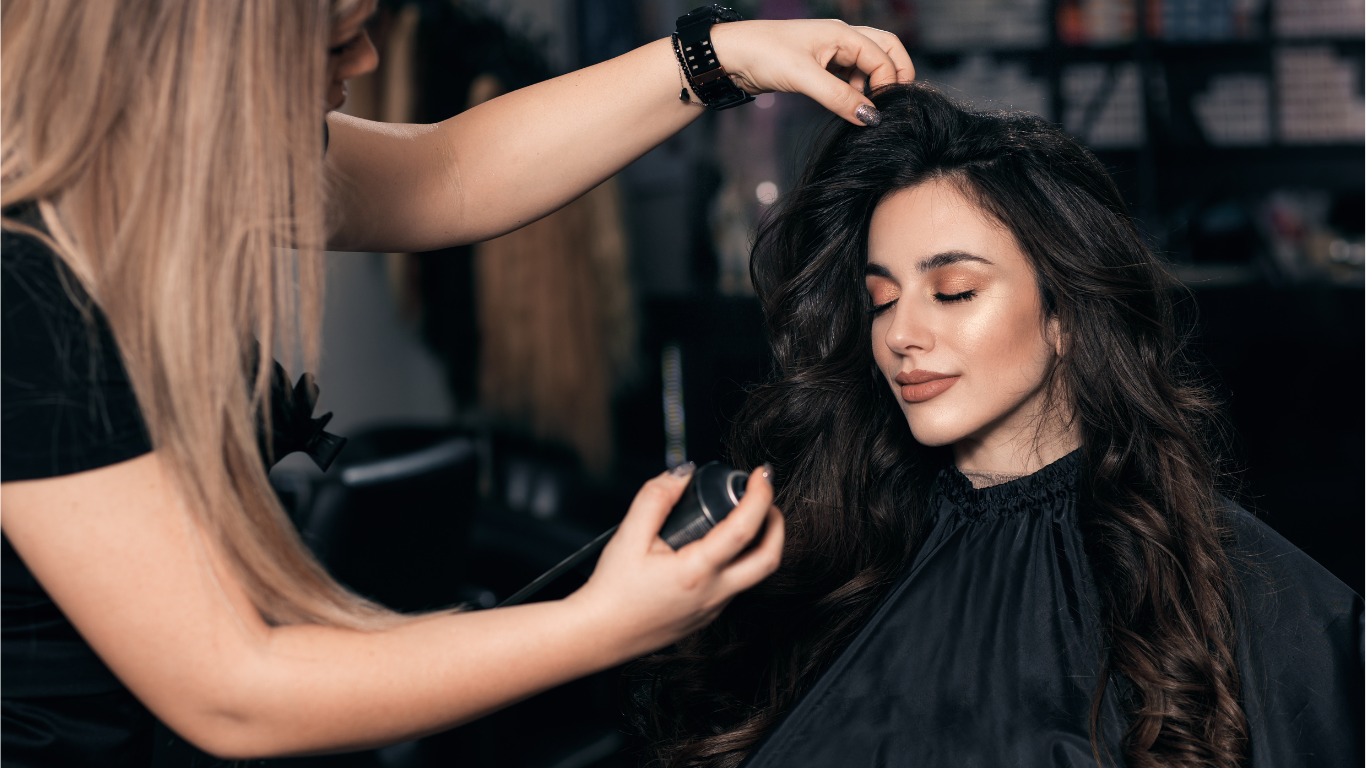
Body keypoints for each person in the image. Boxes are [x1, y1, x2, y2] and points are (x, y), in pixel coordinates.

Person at [0, 1, 918, 764]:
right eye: (333, 39)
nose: (368, 56)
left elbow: (449, 173)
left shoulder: (140, 187)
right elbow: (234, 688)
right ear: (201, 71)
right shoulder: (27, 296)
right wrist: (601, 626)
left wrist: (722, 57)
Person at [630, 83, 1363, 768]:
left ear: (1065, 315)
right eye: (881, 300)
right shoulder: (838, 560)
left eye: (953, 291)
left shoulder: (1237, 585)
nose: (900, 334)